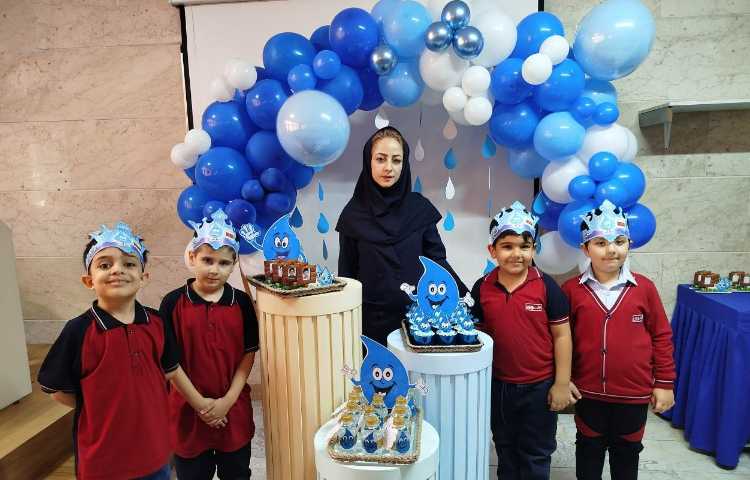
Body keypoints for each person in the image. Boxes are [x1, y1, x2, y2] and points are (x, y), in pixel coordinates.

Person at [38, 222, 179, 480]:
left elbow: (168, 373)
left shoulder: (158, 323)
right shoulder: (78, 331)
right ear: (89, 280)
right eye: (104, 265)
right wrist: (98, 407)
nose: (117, 270)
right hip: (103, 462)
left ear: (144, 277)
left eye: (129, 264)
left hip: (155, 454)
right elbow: (57, 390)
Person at [562, 200, 675, 480]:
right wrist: (565, 379)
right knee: (588, 453)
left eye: (619, 242)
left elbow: (661, 336)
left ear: (629, 244)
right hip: (588, 394)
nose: (611, 249)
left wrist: (664, 383)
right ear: (585, 248)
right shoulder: (571, 290)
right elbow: (562, 340)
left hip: (633, 395)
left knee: (626, 455)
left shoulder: (644, 288)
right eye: (600, 243)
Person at [470, 201, 574, 480]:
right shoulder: (482, 288)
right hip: (498, 386)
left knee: (536, 451)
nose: (517, 254)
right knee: (505, 447)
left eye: (524, 246)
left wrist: (562, 383)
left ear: (534, 249)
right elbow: (477, 340)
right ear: (492, 251)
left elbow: (562, 336)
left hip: (539, 387)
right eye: (507, 246)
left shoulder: (547, 287)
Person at [336, 126, 467, 345]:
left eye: (396, 160)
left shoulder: (419, 209)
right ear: (368, 162)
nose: (389, 168)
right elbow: (347, 276)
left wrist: (466, 296)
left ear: (404, 165)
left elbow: (437, 262)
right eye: (380, 159)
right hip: (369, 324)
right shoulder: (353, 216)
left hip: (419, 320)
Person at [159, 209, 259, 480]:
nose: (214, 269)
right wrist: (201, 405)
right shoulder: (172, 303)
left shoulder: (241, 303)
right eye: (207, 260)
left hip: (233, 410)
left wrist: (227, 401)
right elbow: (170, 362)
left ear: (234, 263)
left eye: (224, 263)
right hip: (187, 410)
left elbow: (248, 354)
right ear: (192, 257)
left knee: (237, 473)